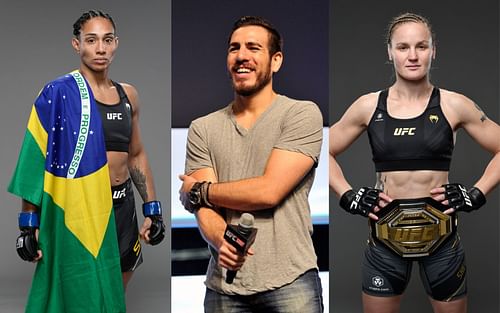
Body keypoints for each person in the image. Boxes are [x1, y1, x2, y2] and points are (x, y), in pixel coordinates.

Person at [329, 12, 500, 313]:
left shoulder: (453, 104)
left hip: (442, 244)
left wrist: (477, 193)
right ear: (389, 52)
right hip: (385, 244)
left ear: (434, 50)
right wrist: (347, 194)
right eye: (403, 47)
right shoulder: (369, 106)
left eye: (421, 46)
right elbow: (320, 150)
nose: (412, 56)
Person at [9, 10, 164, 312]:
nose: (100, 48)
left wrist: (153, 209)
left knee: (114, 296)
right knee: (81, 298)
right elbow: (35, 161)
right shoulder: (58, 93)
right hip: (83, 214)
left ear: (116, 43)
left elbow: (136, 154)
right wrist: (28, 225)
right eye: (91, 40)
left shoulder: (127, 95)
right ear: (76, 45)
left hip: (122, 209)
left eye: (107, 40)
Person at [179, 16, 324, 313]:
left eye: (253, 48)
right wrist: (224, 242)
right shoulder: (202, 128)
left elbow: (268, 192)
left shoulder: (301, 115)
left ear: (276, 61)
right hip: (224, 288)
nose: (241, 56)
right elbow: (204, 208)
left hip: (292, 282)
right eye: (234, 48)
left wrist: (198, 191)